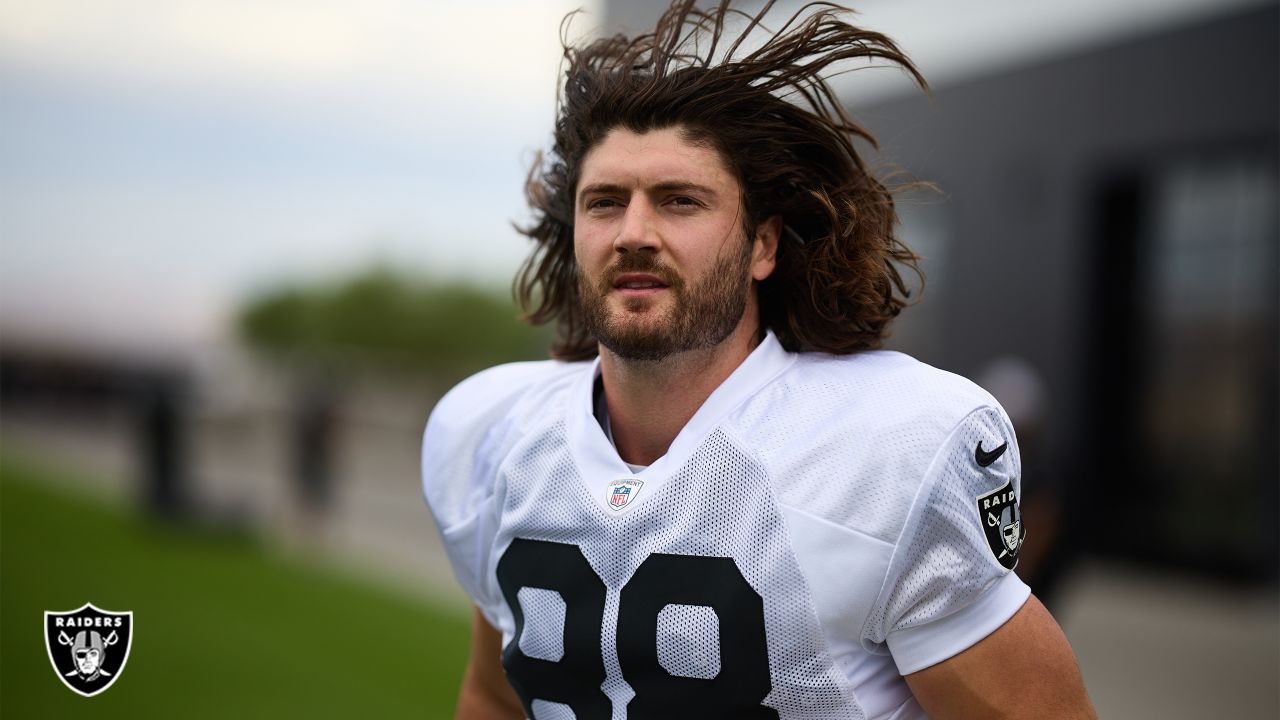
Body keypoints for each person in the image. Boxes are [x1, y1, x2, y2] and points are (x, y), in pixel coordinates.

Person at [421, 1, 1096, 717]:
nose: (634, 232)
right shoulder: (498, 434)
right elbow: (494, 695)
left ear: (764, 246)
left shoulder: (884, 449)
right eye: (605, 202)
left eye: (680, 200)